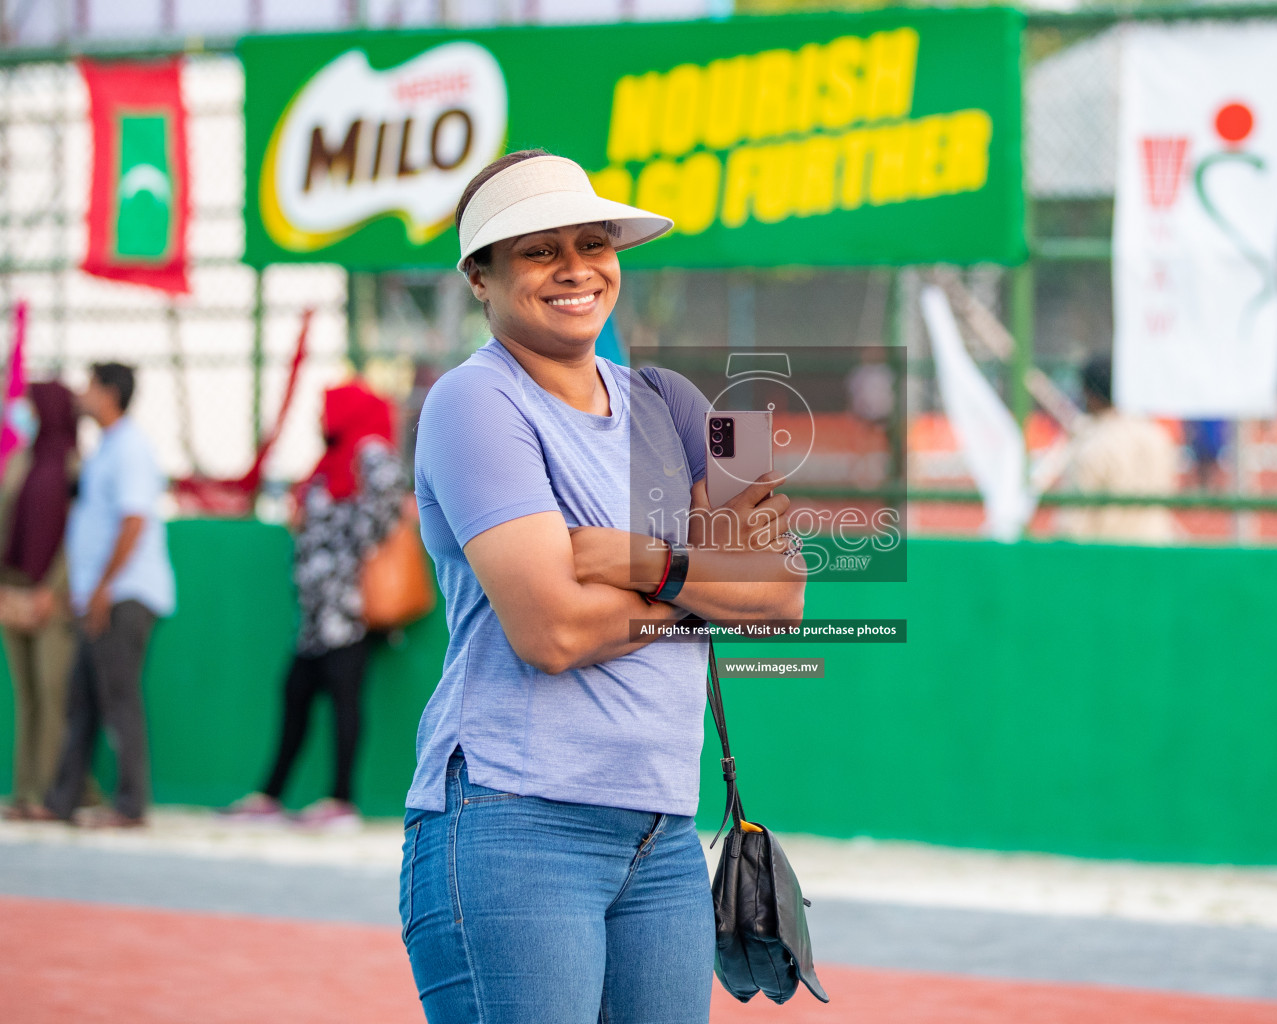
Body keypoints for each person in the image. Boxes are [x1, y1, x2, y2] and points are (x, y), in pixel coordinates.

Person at [399, 150, 805, 1024]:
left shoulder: (676, 401)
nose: (576, 268)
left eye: (592, 242)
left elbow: (784, 591)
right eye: (539, 250)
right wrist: (706, 574)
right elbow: (552, 632)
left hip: (661, 833)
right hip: (516, 820)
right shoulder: (474, 403)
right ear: (481, 275)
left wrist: (639, 561)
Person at [220, 383, 404, 829]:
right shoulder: (331, 459)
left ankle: (342, 801)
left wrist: (344, 549)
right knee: (296, 692)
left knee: (343, 699)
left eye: (328, 410)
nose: (321, 420)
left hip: (347, 608)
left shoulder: (372, 453)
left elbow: (385, 512)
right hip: (316, 609)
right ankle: (271, 796)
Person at [43, 363, 175, 828]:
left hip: (124, 595)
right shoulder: (106, 449)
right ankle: (60, 800)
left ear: (110, 394)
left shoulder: (131, 449)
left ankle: (130, 806)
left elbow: (134, 521)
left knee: (119, 700)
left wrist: (102, 589)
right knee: (83, 698)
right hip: (101, 596)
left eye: (91, 386)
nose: (82, 394)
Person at [0, 382, 78, 820]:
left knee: (53, 692)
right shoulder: (21, 462)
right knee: (26, 694)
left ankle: (52, 791)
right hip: (14, 590)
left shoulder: (73, 465)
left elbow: (77, 535)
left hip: (52, 594)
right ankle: (25, 792)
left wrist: (55, 587)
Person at [1057, 354, 1179, 543]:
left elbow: (1074, 523)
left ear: (1091, 394)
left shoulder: (1093, 445)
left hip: (1107, 557)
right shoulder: (1158, 436)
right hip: (1156, 551)